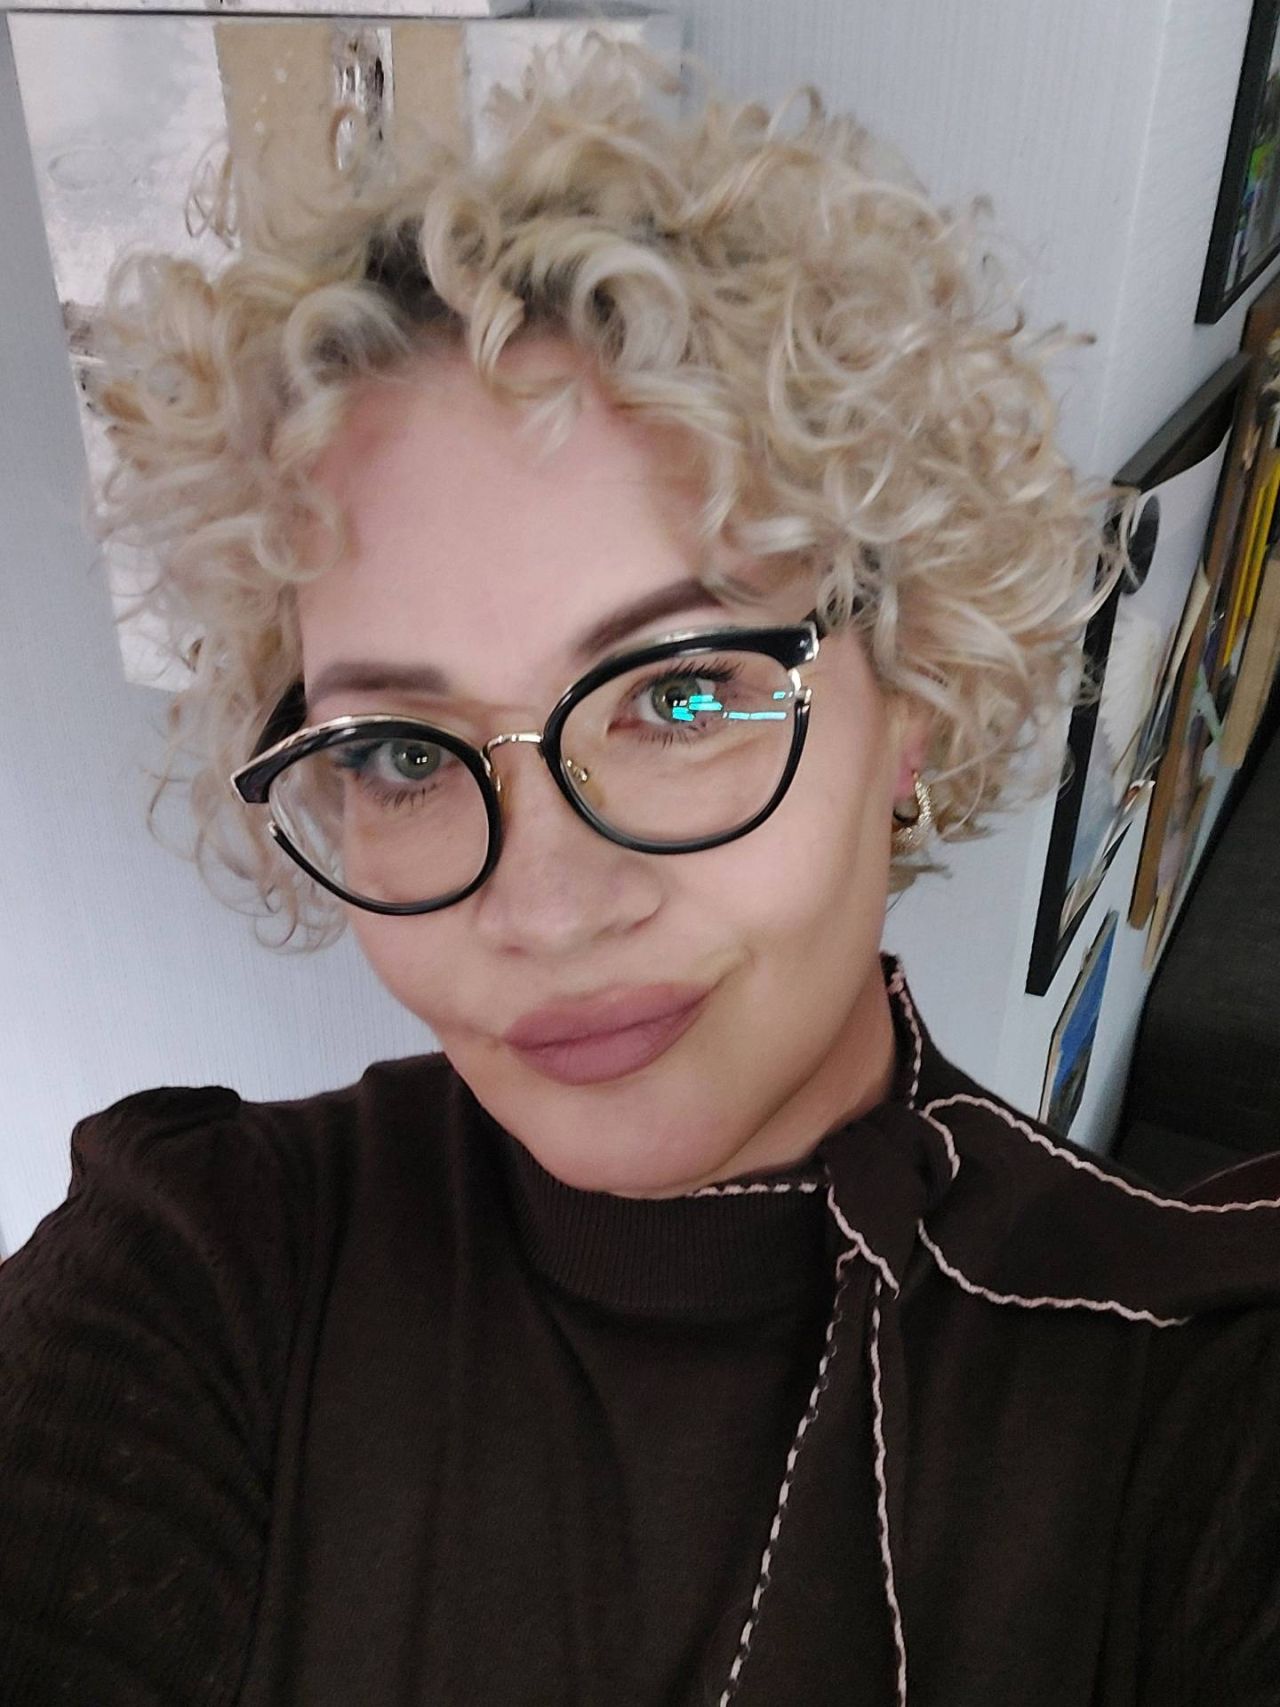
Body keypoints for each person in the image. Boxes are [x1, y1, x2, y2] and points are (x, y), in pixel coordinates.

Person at [2, 36, 1279, 1707]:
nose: (543, 911)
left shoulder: (1196, 1377)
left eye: (680, 697)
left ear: (910, 703)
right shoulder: (209, 1265)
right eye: (402, 755)